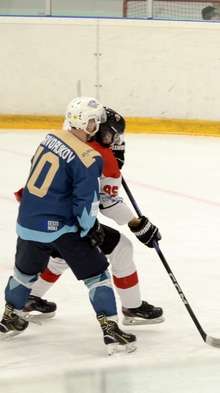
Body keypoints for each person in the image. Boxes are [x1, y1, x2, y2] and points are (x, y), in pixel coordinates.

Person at [0, 97, 155, 354]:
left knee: (23, 274)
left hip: (27, 222)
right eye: (95, 121)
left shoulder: (50, 138)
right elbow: (86, 205)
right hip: (61, 227)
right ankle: (112, 332)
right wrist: (91, 229)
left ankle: (9, 318)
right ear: (88, 124)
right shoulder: (89, 157)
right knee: (98, 277)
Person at [22, 107, 164, 325]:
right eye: (112, 135)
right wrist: (137, 224)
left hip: (37, 212)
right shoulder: (103, 158)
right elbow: (108, 204)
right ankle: (133, 308)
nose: (115, 140)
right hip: (67, 220)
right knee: (122, 248)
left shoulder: (64, 138)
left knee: (60, 255)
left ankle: (27, 298)